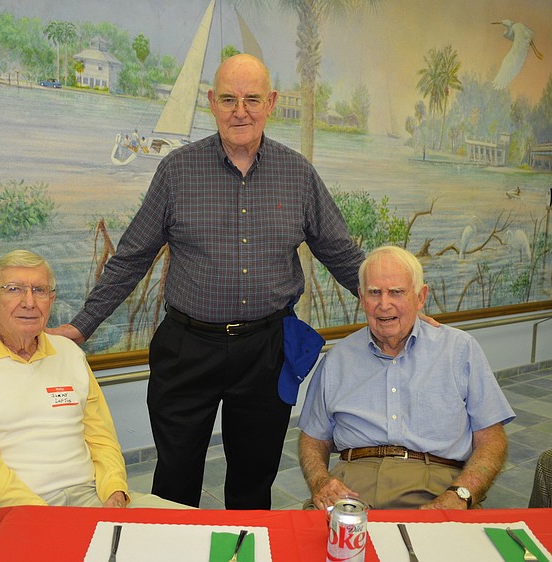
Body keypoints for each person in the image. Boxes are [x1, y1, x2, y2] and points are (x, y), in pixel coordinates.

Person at [48, 53, 366, 510]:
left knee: (253, 485)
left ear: (271, 102)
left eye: (252, 99)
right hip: (187, 350)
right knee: (174, 484)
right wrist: (81, 326)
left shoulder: (298, 174)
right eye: (230, 99)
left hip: (266, 351)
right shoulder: (177, 171)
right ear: (212, 103)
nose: (241, 111)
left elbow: (341, 253)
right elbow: (131, 258)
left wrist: (394, 308)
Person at [0, 250, 182, 545]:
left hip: (91, 497)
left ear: (51, 300)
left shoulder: (69, 353)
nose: (29, 302)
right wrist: (49, 518)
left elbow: (102, 439)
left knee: (191, 535)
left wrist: (114, 490)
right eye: (14, 290)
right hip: (7, 511)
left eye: (40, 290)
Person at [298, 245, 514, 510]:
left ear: (420, 297)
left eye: (396, 292)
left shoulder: (459, 350)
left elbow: (492, 440)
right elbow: (313, 438)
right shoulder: (337, 359)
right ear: (362, 297)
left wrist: (461, 495)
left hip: (436, 486)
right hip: (352, 490)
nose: (383, 304)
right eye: (374, 292)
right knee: (307, 546)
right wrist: (321, 481)